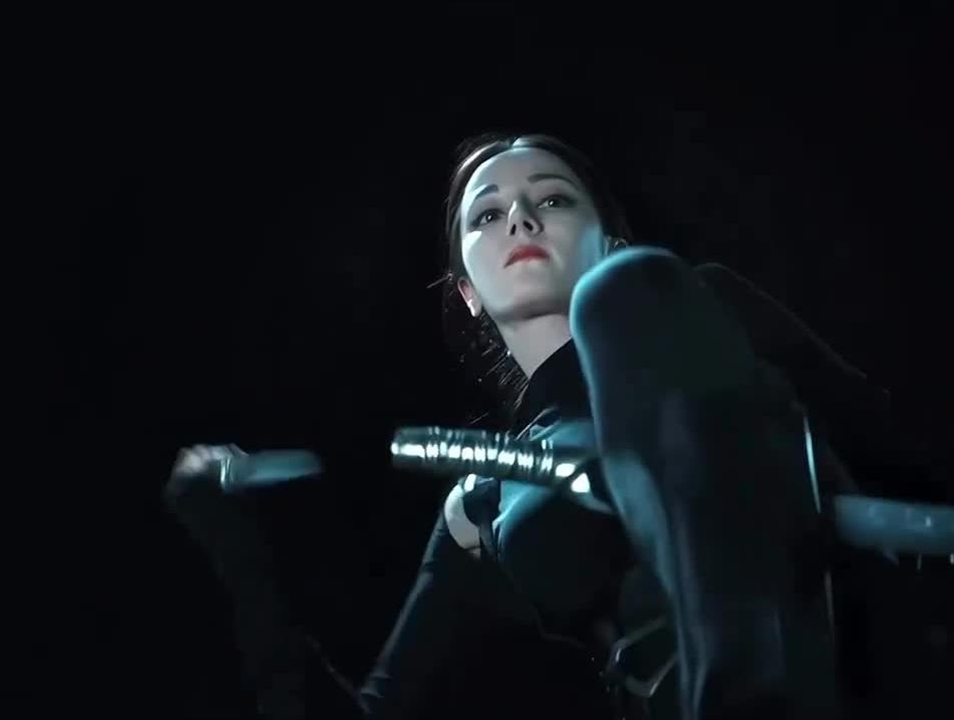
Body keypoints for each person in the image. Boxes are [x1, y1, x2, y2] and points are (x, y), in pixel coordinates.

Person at [167, 133, 884, 720]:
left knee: (624, 298)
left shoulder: (708, 310)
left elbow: (896, 449)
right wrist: (237, 554)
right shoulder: (481, 500)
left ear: (611, 242)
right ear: (467, 293)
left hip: (866, 671)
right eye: (487, 215)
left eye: (553, 199)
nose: (519, 217)